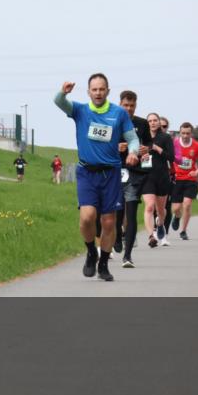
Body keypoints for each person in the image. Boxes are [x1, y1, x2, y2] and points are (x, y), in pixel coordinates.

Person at [54, 74, 140, 282]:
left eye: (102, 89)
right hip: (86, 172)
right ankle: (91, 250)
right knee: (87, 217)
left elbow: (132, 138)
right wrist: (63, 92)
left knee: (109, 223)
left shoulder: (118, 113)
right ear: (88, 92)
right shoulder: (80, 110)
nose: (98, 93)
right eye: (94, 89)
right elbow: (59, 102)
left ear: (108, 91)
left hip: (110, 173)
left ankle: (104, 262)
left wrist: (133, 152)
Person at [113, 90, 154, 259]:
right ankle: (116, 236)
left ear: (136, 105)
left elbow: (149, 143)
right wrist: (116, 147)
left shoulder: (142, 123)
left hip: (135, 174)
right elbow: (101, 145)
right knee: (118, 213)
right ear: (120, 104)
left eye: (132, 105)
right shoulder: (112, 121)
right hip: (115, 172)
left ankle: (127, 255)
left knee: (131, 214)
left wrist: (147, 149)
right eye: (125, 105)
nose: (129, 108)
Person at [140, 113, 174, 255]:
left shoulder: (165, 138)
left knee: (161, 210)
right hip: (147, 176)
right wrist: (142, 155)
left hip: (162, 176)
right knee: (149, 207)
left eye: (155, 121)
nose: (152, 123)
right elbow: (134, 153)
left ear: (159, 123)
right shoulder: (142, 137)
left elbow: (171, 157)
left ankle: (160, 225)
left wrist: (157, 148)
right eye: (150, 121)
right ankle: (150, 236)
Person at [169, 122, 198, 242]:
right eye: (183, 133)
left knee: (187, 204)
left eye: (188, 133)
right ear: (180, 133)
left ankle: (183, 231)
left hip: (191, 179)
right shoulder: (174, 144)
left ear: (191, 134)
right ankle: (177, 216)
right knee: (176, 208)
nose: (185, 136)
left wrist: (197, 172)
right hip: (177, 179)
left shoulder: (196, 146)